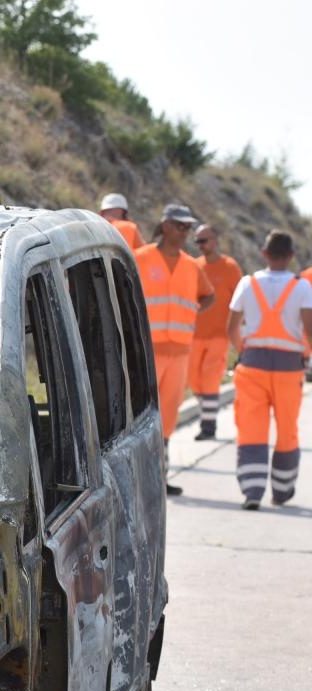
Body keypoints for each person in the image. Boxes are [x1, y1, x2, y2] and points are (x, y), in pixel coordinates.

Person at [225, 230, 312, 509]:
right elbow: (309, 330)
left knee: (251, 427)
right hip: (289, 368)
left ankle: (252, 491)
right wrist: (306, 356)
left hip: (252, 366)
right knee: (287, 428)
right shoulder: (302, 287)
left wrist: (244, 350)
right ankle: (282, 490)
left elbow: (232, 327)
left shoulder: (247, 283)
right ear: (291, 256)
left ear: (264, 253)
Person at [134, 204, 214, 495]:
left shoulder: (191, 265)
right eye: (181, 226)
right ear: (166, 225)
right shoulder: (141, 258)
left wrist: (191, 310)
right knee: (142, 414)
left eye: (189, 228)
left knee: (167, 417)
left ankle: (158, 478)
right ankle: (139, 480)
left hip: (179, 352)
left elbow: (209, 296)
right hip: (147, 352)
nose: (186, 233)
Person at [189, 224, 243, 439]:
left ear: (216, 240)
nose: (200, 245)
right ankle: (207, 413)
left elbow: (240, 301)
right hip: (193, 334)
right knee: (193, 380)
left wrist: (238, 330)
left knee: (210, 379)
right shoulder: (194, 266)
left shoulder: (230, 267)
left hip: (220, 335)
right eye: (197, 241)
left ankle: (208, 426)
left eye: (204, 240)